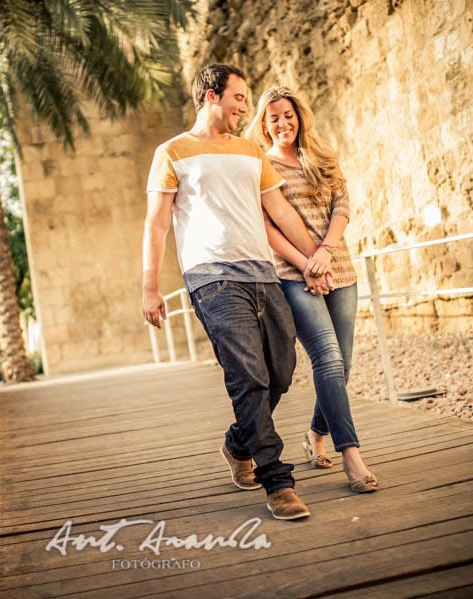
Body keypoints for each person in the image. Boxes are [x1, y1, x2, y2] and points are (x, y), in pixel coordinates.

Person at [142, 64, 328, 520]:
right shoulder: (172, 152)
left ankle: (237, 443)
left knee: (281, 372)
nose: (245, 107)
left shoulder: (250, 151)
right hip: (211, 279)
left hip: (263, 275)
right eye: (239, 97)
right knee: (248, 376)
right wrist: (150, 288)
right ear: (211, 96)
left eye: (246, 98)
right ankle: (277, 481)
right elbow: (157, 223)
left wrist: (313, 261)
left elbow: (280, 212)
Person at [245, 85, 378, 493]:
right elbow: (267, 230)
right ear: (264, 126)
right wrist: (307, 264)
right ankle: (350, 455)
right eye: (274, 118)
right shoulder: (260, 166)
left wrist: (324, 252)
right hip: (293, 274)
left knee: (344, 364)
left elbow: (343, 207)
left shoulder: (323, 156)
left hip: (339, 268)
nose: (283, 123)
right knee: (327, 358)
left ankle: (315, 435)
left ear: (299, 116)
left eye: (288, 115)